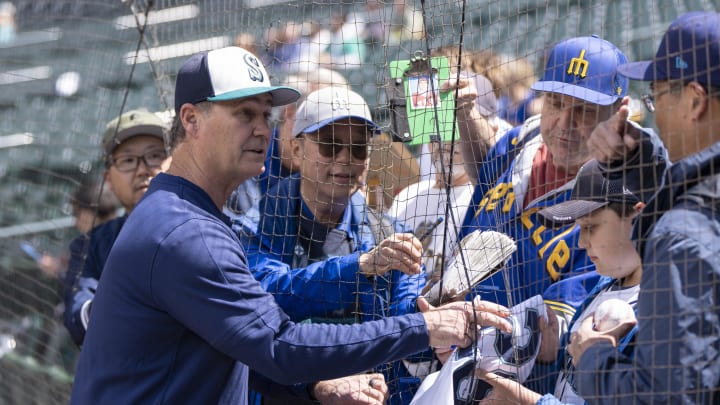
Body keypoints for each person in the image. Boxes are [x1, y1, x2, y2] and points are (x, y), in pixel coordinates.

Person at [69, 46, 512, 404]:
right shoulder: (186, 231)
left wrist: (316, 386)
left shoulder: (186, 213)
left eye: (265, 114)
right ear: (191, 120)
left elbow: (239, 348)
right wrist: (423, 328)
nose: (261, 128)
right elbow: (279, 346)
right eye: (243, 113)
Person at [240, 85, 427, 404]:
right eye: (329, 145)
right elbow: (265, 297)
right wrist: (360, 267)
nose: (345, 159)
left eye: (358, 148)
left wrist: (430, 308)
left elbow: (404, 315)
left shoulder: (389, 233)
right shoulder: (254, 224)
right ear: (297, 150)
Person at [569, 11, 720, 404]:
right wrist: (640, 156)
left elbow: (671, 399)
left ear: (694, 99)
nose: (656, 112)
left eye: (657, 96)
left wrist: (593, 359)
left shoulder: (682, 234)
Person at [452, 36, 654, 308]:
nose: (565, 123)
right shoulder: (518, 141)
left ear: (619, 111)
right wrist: (466, 112)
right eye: (556, 103)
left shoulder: (618, 203)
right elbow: (484, 171)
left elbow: (560, 326)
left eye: (584, 110)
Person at [475, 158, 663, 404]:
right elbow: (570, 389)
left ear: (639, 216)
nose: (582, 243)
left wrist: (527, 401)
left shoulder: (662, 311)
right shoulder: (604, 286)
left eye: (591, 227)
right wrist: (551, 356)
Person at [62, 108, 171, 347]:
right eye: (128, 160)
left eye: (154, 156)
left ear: (172, 161)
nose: (143, 169)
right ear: (108, 178)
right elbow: (78, 320)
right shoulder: (91, 245)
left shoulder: (208, 225)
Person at [225, 67, 349, 232]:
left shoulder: (343, 176)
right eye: (320, 120)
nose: (332, 139)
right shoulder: (241, 162)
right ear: (290, 113)